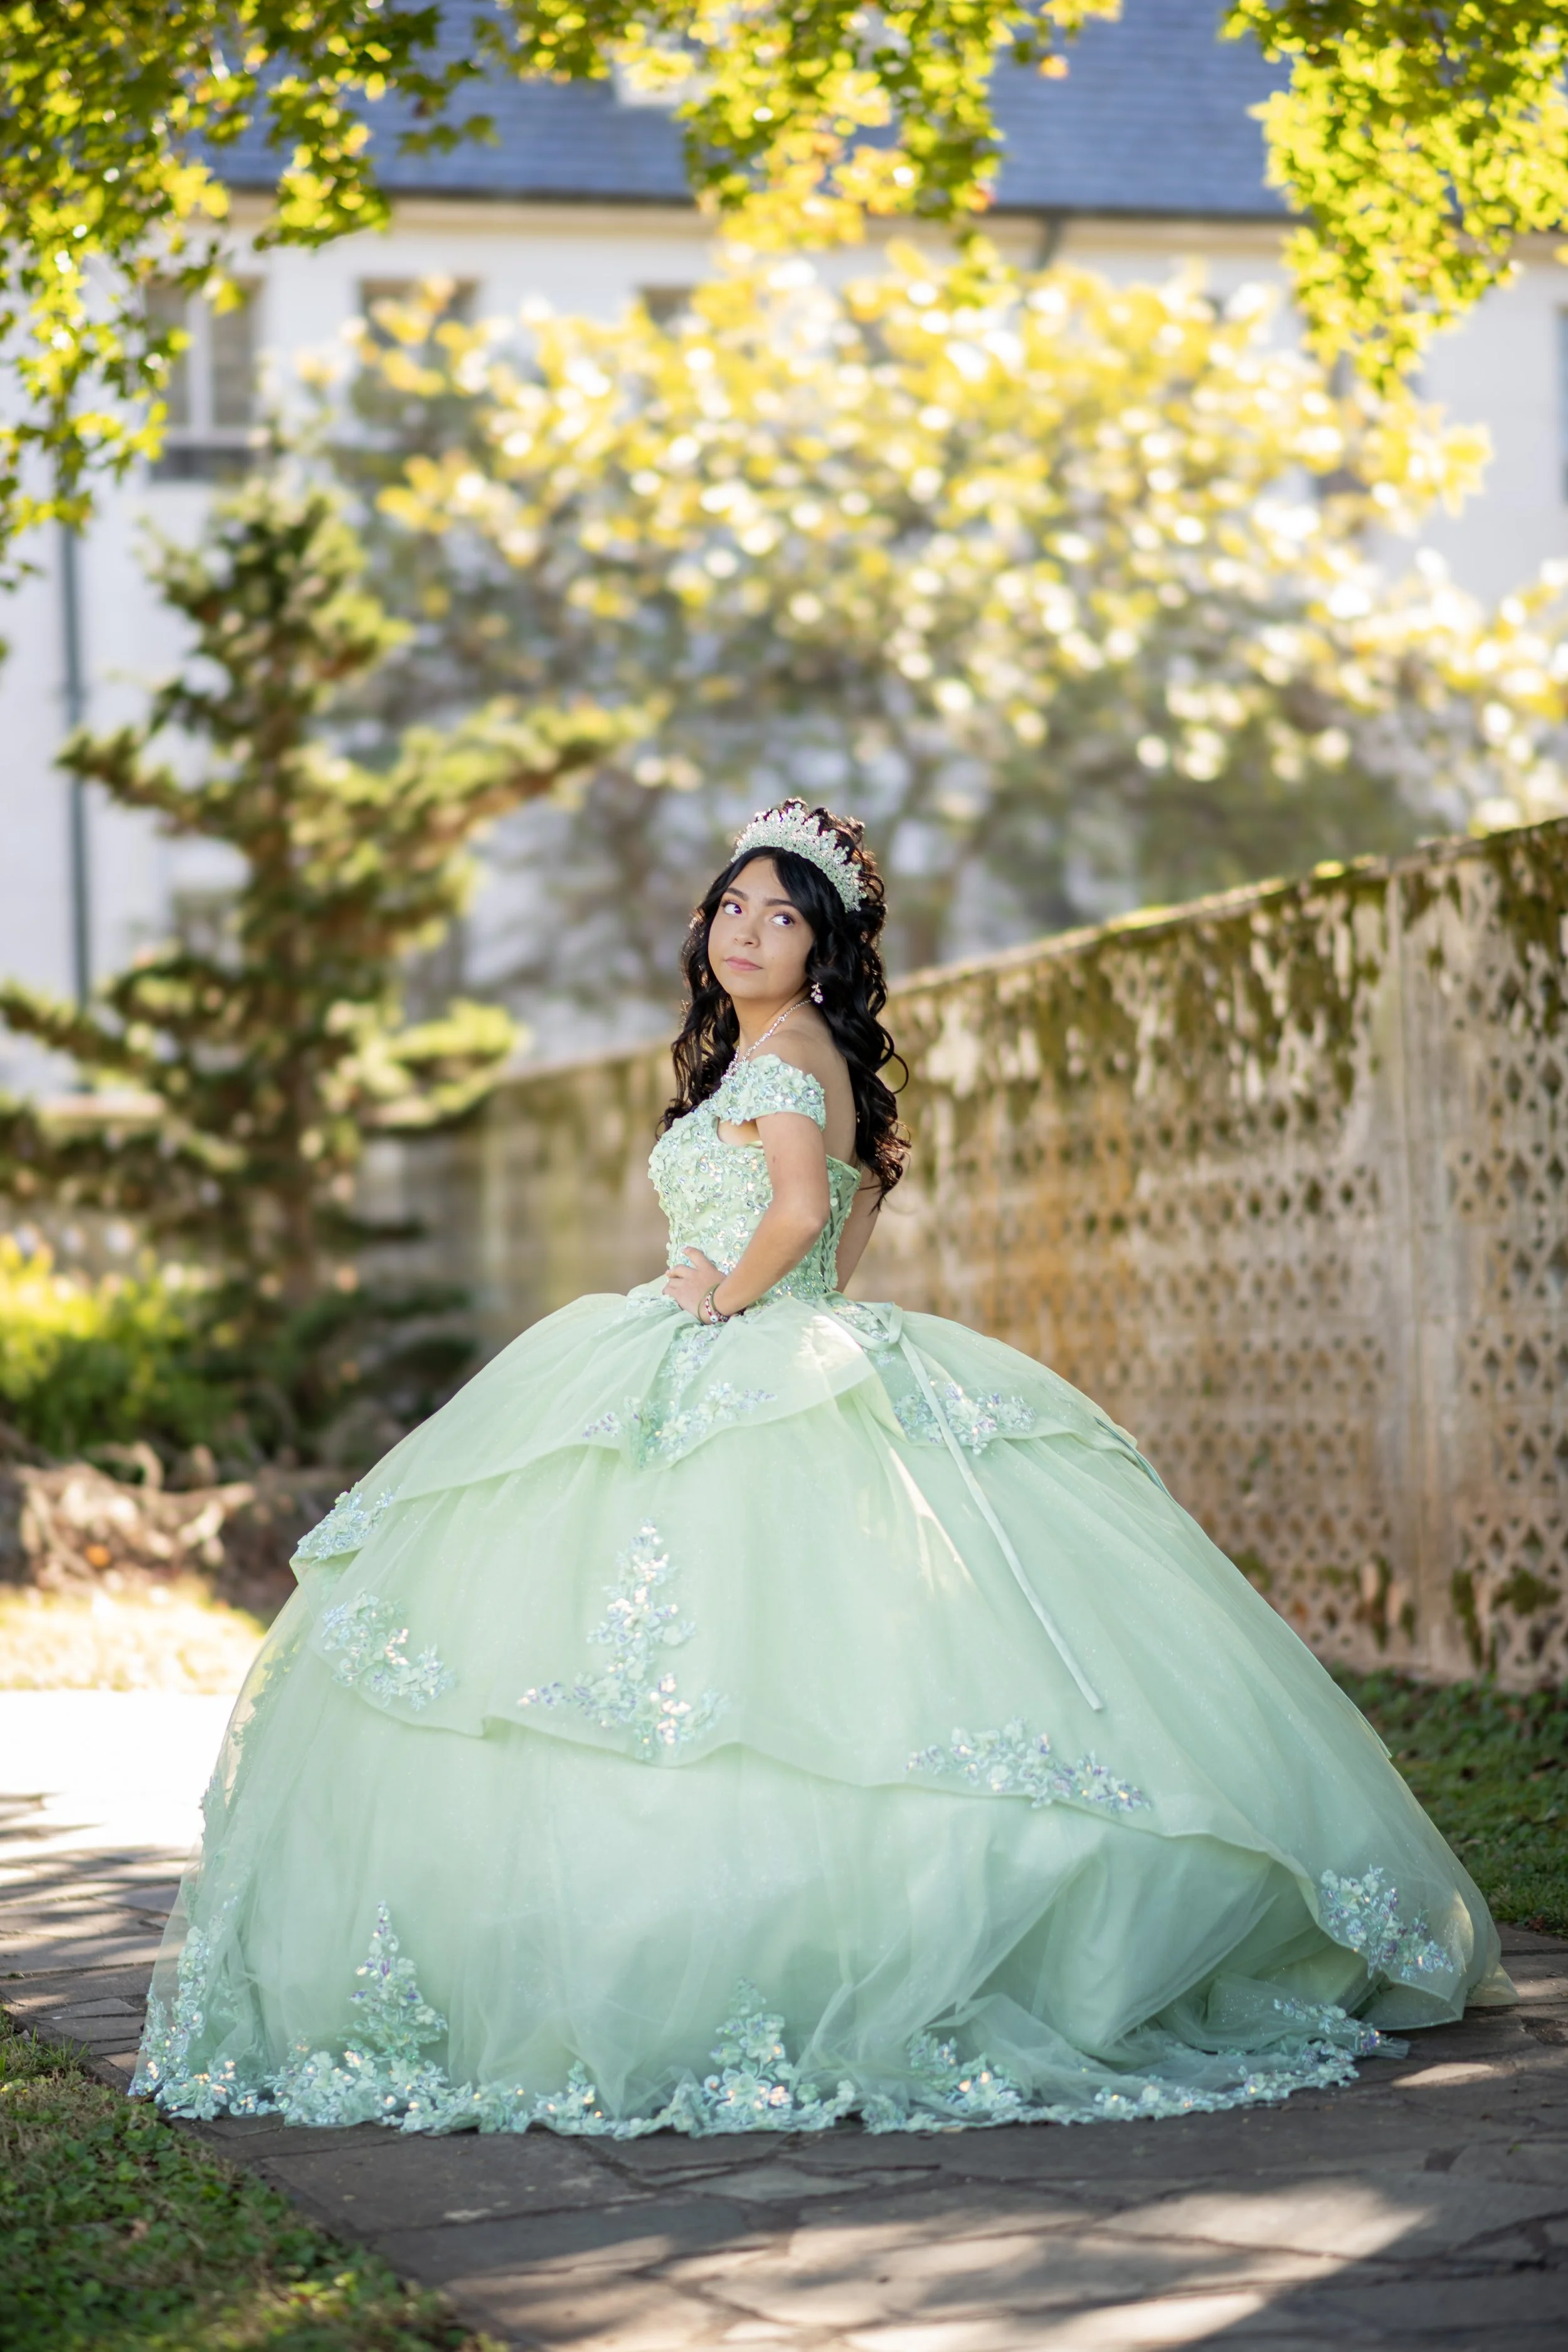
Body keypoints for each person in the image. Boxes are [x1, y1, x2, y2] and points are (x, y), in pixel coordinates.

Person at [133, 801, 1511, 2137]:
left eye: (777, 915)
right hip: (770, 1333)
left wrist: (722, 1306)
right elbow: (847, 1226)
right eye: (730, 906)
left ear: (819, 948)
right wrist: (763, 1302)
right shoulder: (781, 1053)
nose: (744, 930)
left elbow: (799, 1211)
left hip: (731, 1335)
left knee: (725, 1656)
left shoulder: (786, 1056)